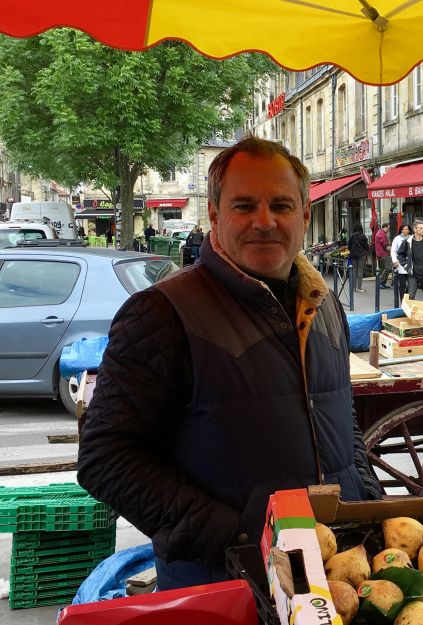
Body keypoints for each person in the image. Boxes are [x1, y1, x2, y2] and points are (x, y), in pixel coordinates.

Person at [77, 136, 382, 591]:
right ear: (215, 217)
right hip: (229, 583)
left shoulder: (325, 305)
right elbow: (106, 457)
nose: (265, 221)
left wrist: (368, 499)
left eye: (281, 205)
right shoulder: (161, 314)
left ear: (305, 216)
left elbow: (338, 416)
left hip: (336, 572)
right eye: (244, 206)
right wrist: (237, 538)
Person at [397, 220, 423, 302]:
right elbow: (400, 254)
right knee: (410, 296)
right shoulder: (408, 241)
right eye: (421, 228)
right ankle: (410, 314)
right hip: (413, 273)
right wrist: (405, 265)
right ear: (415, 230)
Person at [347, 224, 370, 293]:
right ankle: (359, 288)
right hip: (361, 255)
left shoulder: (351, 237)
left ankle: (353, 288)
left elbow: (349, 247)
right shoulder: (362, 236)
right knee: (360, 271)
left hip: (353, 255)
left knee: (353, 271)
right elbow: (366, 246)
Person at [390, 224, 411, 300]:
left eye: (406, 229)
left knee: (411, 285)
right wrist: (395, 261)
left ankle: (409, 300)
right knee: (402, 284)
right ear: (401, 230)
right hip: (401, 263)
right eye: (403, 229)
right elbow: (393, 251)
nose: (405, 231)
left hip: (410, 264)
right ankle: (402, 300)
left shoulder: (412, 238)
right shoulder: (397, 238)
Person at [374, 223, 392, 289]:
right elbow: (385, 246)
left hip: (379, 254)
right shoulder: (382, 234)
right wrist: (393, 249)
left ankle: (382, 283)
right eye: (388, 228)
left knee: (383, 269)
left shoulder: (379, 233)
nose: (389, 230)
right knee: (388, 267)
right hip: (383, 254)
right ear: (385, 227)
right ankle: (380, 282)